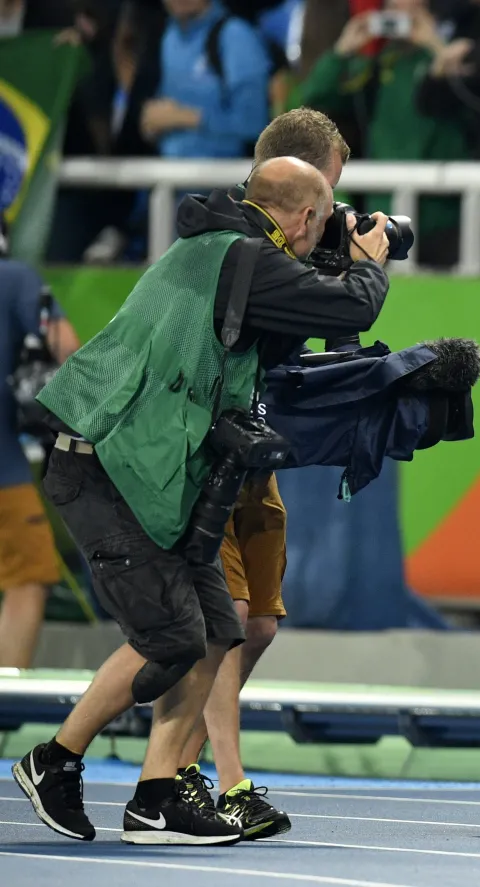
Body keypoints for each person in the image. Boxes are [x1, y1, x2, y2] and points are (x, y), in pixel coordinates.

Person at [10, 156, 392, 846]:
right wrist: (366, 260)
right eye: (325, 218)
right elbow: (354, 309)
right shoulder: (244, 254)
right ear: (305, 217)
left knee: (221, 630)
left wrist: (332, 262)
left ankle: (157, 798)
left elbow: (278, 338)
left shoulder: (223, 248)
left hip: (144, 465)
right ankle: (54, 758)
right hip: (106, 462)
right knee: (175, 636)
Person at [172, 107, 351, 841]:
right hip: (203, 450)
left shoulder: (290, 247)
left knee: (262, 623)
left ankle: (184, 758)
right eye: (328, 197)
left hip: (250, 443)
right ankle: (218, 774)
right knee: (226, 623)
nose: (333, 214)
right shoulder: (234, 240)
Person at [0, 238, 79, 668]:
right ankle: (5, 695)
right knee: (28, 578)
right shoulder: (15, 279)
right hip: (3, 471)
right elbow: (65, 348)